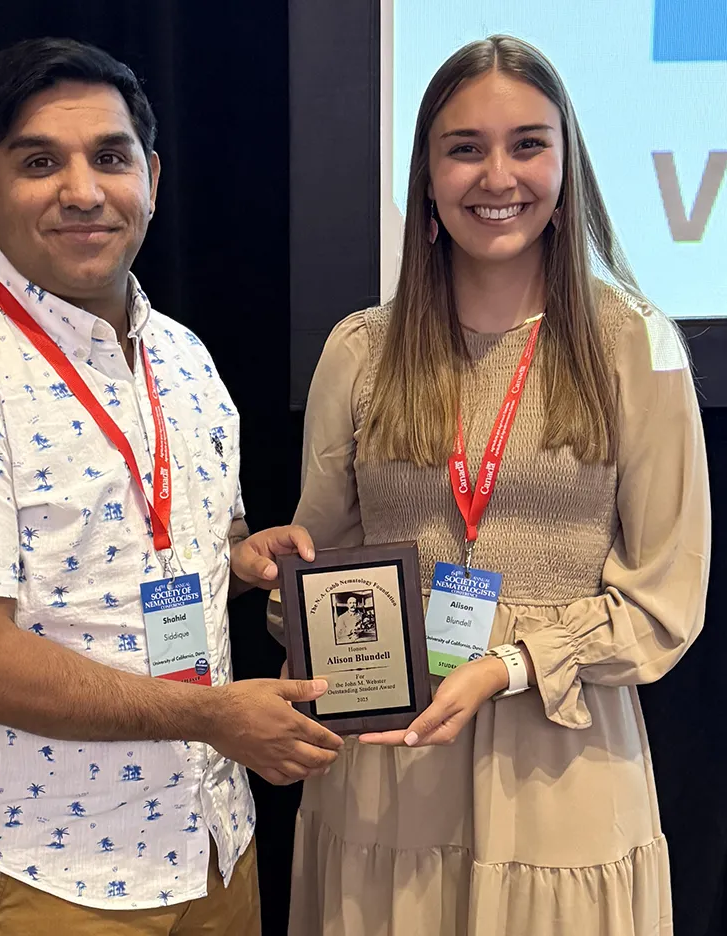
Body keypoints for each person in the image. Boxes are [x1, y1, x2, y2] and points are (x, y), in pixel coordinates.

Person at [0, 37, 343, 936]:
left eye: (110, 157)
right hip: (54, 869)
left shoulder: (186, 360)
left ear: (151, 178)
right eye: (40, 161)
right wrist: (211, 716)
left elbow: (177, 536)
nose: (83, 191)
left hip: (213, 843)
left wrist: (238, 558)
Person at [269, 34, 709, 936]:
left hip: (563, 753)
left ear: (567, 164)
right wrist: (304, 628)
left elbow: (666, 598)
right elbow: (317, 563)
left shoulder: (638, 346)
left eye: (527, 144)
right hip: (392, 758)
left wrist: (507, 665)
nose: (496, 175)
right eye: (464, 147)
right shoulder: (359, 352)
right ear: (426, 175)